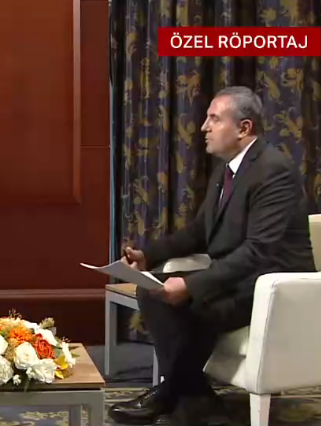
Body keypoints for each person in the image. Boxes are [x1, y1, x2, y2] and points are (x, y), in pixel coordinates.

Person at [109, 86, 315, 426]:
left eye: (214, 119)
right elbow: (199, 231)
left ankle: (174, 395)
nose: (204, 127)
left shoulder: (273, 170)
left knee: (198, 305)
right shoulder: (227, 169)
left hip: (274, 284)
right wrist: (148, 255)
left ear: (244, 128)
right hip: (239, 276)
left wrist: (191, 285)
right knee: (151, 291)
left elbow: (258, 250)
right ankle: (196, 398)